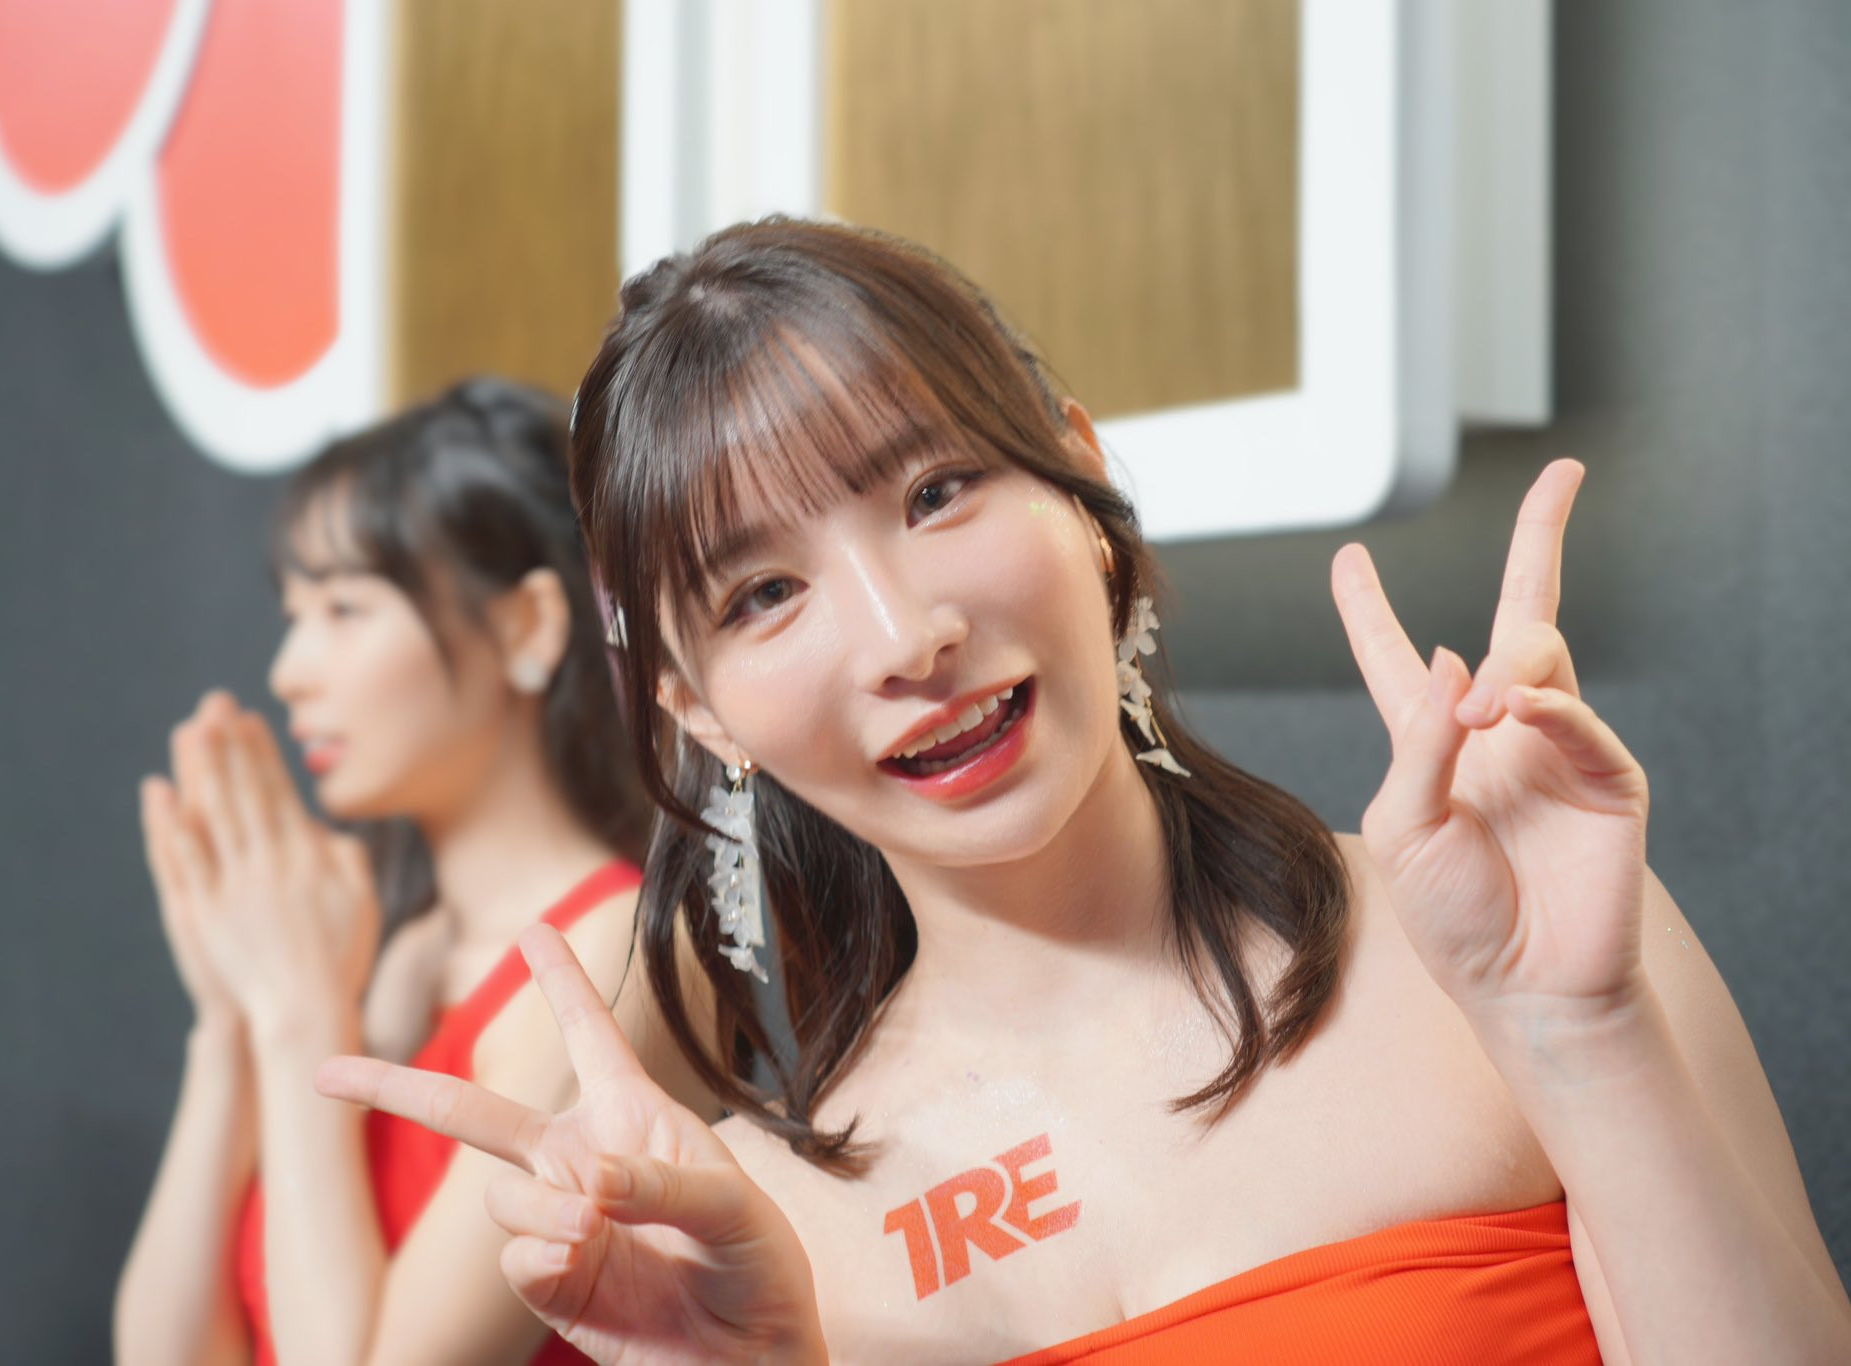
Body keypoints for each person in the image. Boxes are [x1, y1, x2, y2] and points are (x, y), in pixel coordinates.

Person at [316, 220, 1851, 1363]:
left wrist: (1581, 1034)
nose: (905, 633)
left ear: (1082, 483)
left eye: (936, 490)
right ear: (695, 707)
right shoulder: (768, 1232)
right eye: (765, 593)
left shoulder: (1504, 949)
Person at [114, 378, 714, 1366]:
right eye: (295, 611)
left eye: (344, 608)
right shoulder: (390, 955)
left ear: (524, 627)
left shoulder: (609, 961)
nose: (290, 669)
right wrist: (232, 1021)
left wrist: (302, 1017)